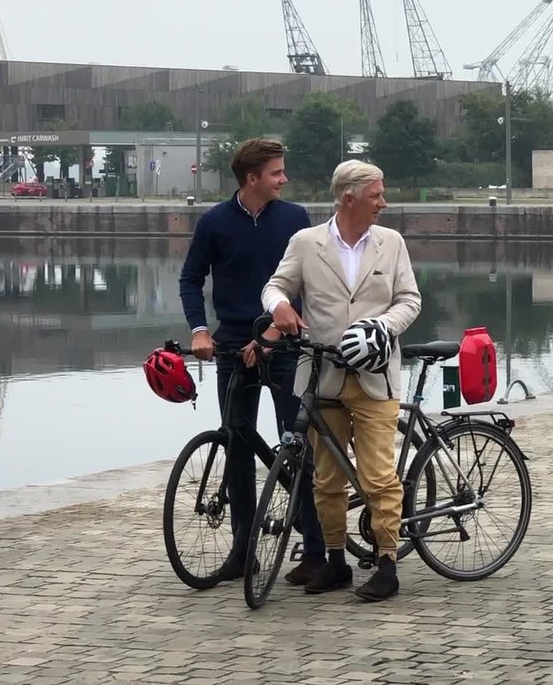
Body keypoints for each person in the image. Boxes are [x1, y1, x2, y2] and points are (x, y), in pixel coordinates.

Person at [261, 159, 421, 602]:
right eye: (376, 195)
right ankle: (335, 562)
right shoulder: (306, 243)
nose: (383, 202)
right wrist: (279, 306)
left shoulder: (391, 243)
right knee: (326, 480)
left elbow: (410, 300)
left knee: (378, 477)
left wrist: (383, 326)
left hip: (375, 377)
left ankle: (387, 564)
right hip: (322, 376)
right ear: (349, 198)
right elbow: (275, 286)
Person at [178, 138, 327, 585]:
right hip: (231, 347)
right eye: (277, 172)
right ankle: (244, 551)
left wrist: (272, 335)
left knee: (296, 445)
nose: (284, 179)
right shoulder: (214, 222)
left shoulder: (294, 218)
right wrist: (199, 330)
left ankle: (315, 550)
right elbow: (190, 278)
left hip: (283, 345)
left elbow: (302, 285)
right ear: (252, 178)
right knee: (237, 446)